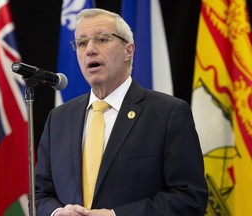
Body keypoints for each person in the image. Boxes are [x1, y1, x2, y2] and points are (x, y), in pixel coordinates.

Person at [35, 8, 208, 216]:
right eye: (82, 43)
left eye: (102, 39)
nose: (90, 49)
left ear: (129, 51)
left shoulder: (168, 114)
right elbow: (40, 195)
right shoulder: (59, 119)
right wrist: (56, 213)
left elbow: (190, 198)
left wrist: (116, 215)